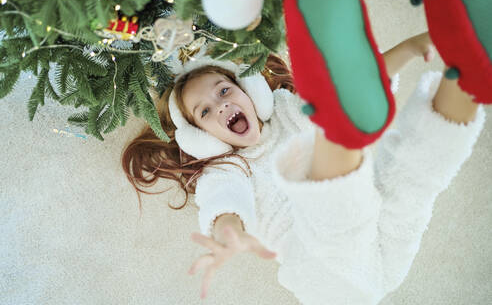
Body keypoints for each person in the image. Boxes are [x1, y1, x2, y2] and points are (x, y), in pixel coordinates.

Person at [121, 30, 486, 304]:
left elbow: (351, 93)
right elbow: (224, 206)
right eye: (205, 112)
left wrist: (409, 47)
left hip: (387, 246)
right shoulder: (225, 170)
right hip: (326, 272)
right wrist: (230, 235)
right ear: (204, 138)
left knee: (414, 175)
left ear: (249, 90)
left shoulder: (285, 108)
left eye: (224, 91)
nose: (220, 106)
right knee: (336, 171)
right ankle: (336, 155)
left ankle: (471, 58)